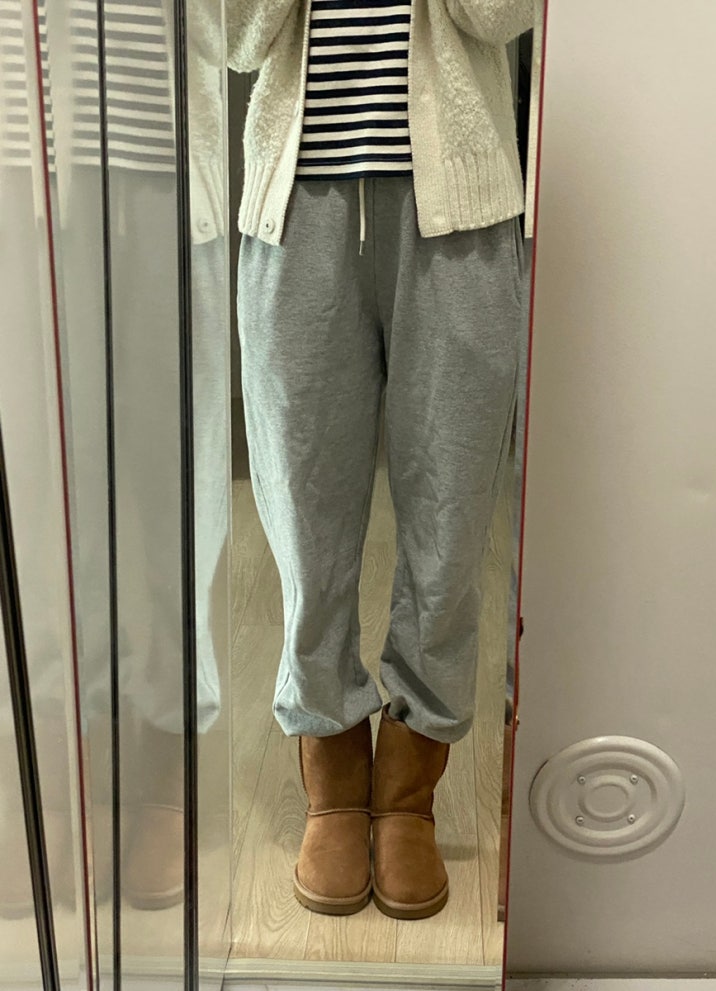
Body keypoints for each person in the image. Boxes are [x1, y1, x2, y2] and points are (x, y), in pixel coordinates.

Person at [228, 0, 533, 920]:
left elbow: (500, 16)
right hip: (295, 212)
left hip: (459, 215)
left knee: (451, 511)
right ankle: (329, 764)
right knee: (303, 509)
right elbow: (232, 36)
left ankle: (408, 787)